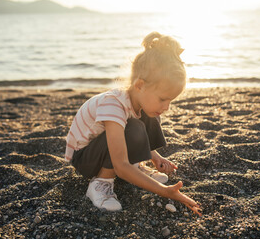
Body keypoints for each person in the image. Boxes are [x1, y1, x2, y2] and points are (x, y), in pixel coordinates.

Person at [64, 31, 201, 216]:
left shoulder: (136, 101)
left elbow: (126, 139)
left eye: (170, 101)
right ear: (139, 85)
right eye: (163, 99)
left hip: (106, 148)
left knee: (149, 116)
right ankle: (101, 183)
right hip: (85, 159)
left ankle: (136, 166)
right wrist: (164, 191)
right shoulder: (113, 104)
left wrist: (155, 157)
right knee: (135, 127)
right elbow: (120, 165)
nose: (166, 107)